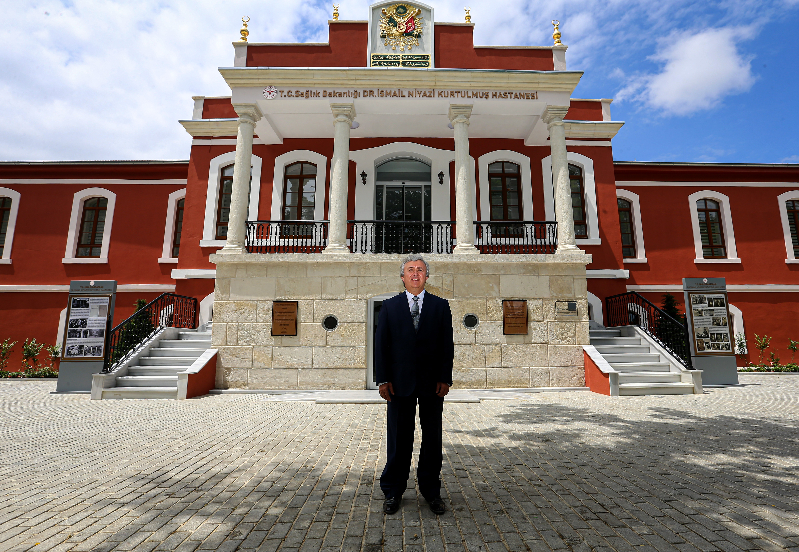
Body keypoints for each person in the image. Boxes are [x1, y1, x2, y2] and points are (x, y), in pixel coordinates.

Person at [375, 254, 454, 515]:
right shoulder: (389, 306)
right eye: (410, 270)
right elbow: (381, 346)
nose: (416, 274)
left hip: (432, 384)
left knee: (432, 438)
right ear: (402, 276)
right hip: (399, 384)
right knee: (399, 438)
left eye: (420, 270)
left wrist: (445, 377)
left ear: (427, 276)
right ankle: (393, 490)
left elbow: (446, 346)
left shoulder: (441, 306)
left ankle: (431, 491)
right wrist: (383, 379)